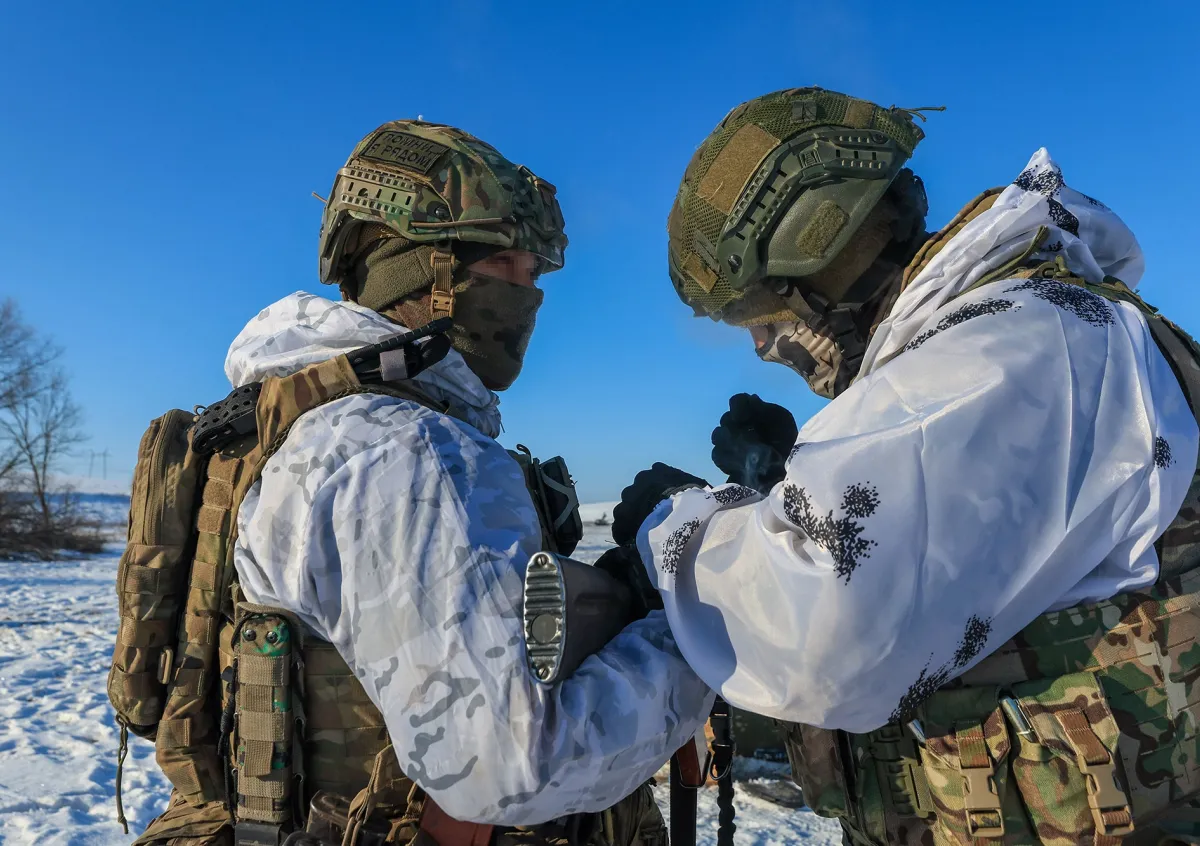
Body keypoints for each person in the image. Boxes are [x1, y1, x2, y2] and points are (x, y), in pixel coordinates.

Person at [613, 87, 1200, 844]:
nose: (763, 346)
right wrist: (784, 481)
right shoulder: (1007, 333)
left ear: (821, 254)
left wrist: (676, 522)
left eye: (758, 314)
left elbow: (824, 628)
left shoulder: (1019, 345)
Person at [131, 120, 711, 846]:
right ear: (421, 273)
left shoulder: (281, 426)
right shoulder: (402, 449)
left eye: (535, 272)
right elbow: (515, 766)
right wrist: (684, 626)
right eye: (505, 264)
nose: (530, 294)